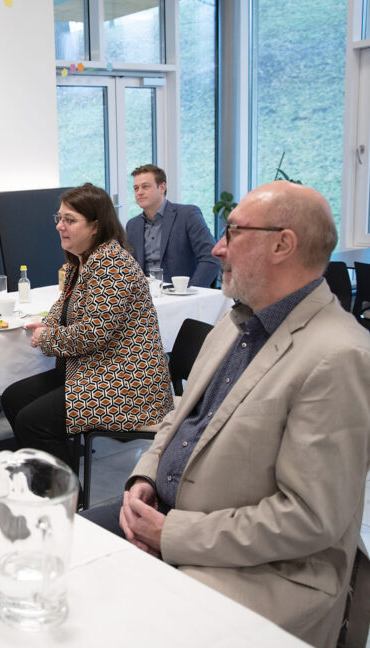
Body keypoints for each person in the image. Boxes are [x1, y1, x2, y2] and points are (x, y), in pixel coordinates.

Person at [119, 181, 370, 648]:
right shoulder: (237, 321)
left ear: (282, 244)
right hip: (177, 521)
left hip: (267, 573)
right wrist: (145, 479)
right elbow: (180, 418)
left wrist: (173, 533)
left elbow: (309, 519)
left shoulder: (338, 355)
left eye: (232, 233)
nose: (217, 248)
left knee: (122, 623)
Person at [2, 183, 173, 471]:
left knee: (34, 421)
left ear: (95, 226)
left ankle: (65, 498)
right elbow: (63, 308)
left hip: (127, 383)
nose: (60, 226)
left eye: (69, 220)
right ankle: (43, 480)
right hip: (95, 370)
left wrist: (47, 338)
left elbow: (94, 333)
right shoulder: (79, 262)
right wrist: (47, 324)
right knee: (14, 398)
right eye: (58, 218)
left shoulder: (111, 264)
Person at [125, 164, 219, 287]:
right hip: (145, 297)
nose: (139, 192)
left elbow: (211, 258)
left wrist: (192, 292)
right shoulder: (132, 225)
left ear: (162, 187)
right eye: (136, 188)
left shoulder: (187, 215)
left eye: (145, 187)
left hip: (181, 295)